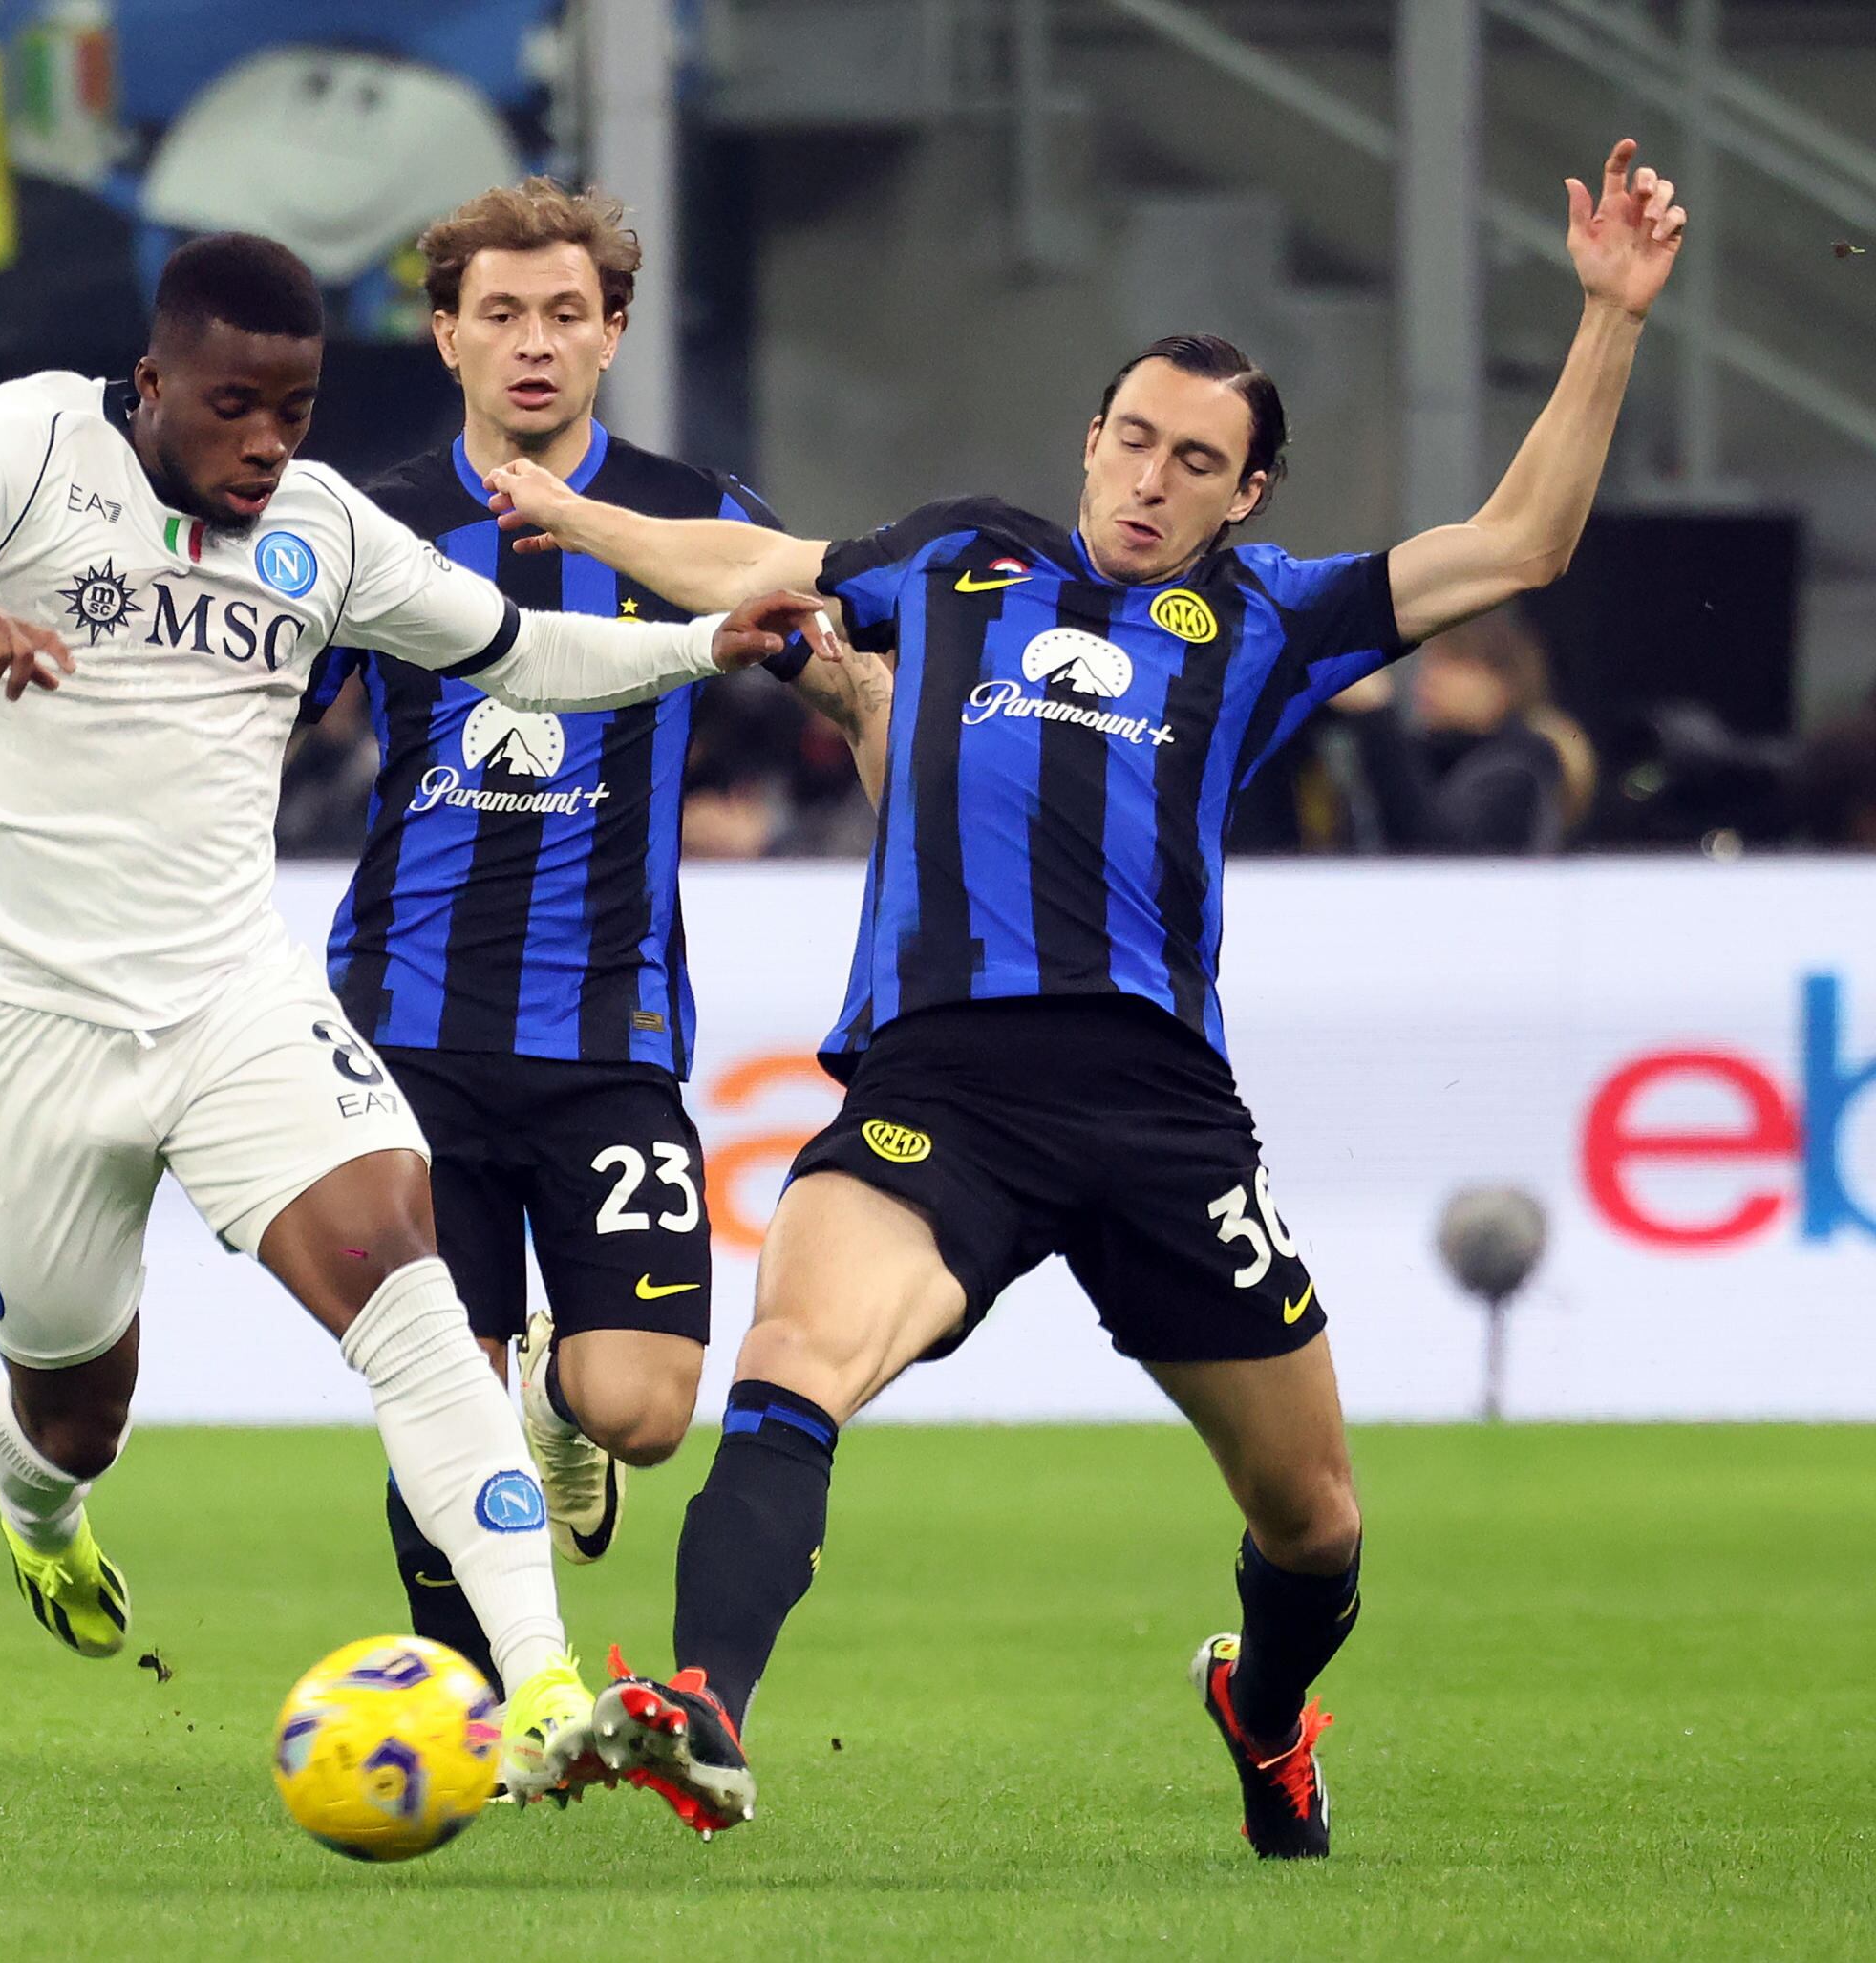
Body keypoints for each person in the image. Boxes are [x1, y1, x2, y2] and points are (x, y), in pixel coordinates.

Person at [484, 140, 1685, 1854]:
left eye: (1197, 460)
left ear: (1245, 495)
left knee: (1317, 1523)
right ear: (1090, 440)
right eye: (1132, 437)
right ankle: (704, 1708)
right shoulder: (959, 563)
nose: (1150, 476)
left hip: (1158, 1116)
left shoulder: (1267, 619)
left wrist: (1608, 318)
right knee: (794, 1359)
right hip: (938, 1090)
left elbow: (1519, 543)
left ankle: (1261, 1713)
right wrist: (574, 513)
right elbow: (756, 566)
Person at [0, 230, 826, 1802]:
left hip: (230, 1001)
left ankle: (537, 1695)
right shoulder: (34, 443)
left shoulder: (323, 531)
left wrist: (690, 643)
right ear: (152, 385)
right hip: (28, 1026)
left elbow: (519, 653)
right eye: (232, 406)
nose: (265, 443)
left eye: (296, 409)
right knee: (72, 1402)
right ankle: (36, 1500)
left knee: (408, 1284)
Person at [297, 180, 886, 1700]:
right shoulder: (364, 528)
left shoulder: (703, 522)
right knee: (438, 1391)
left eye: (568, 313)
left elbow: (849, 684)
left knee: (644, 1404)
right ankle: (459, 1701)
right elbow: (249, 721)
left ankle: (561, 1399)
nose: (535, 342)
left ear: (615, 332)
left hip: (606, 1037)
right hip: (401, 1030)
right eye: (501, 313)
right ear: (446, 334)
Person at [1327, 607, 1593, 852]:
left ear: (1502, 681)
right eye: (1430, 661)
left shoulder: (1520, 766)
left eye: (1452, 661)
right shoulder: (1429, 756)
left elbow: (1437, 853)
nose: (1430, 676)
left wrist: (1376, 717)